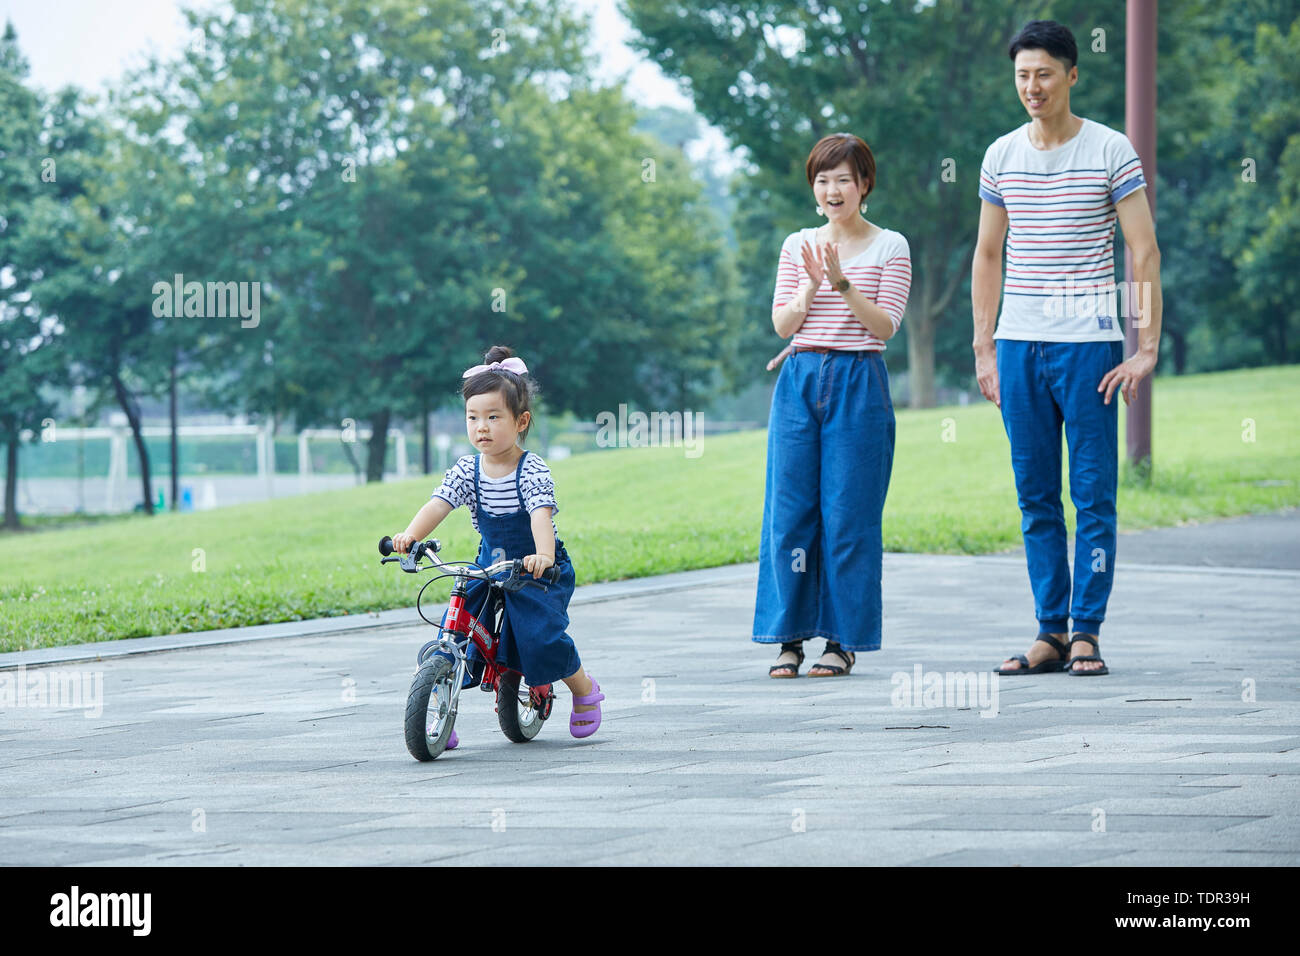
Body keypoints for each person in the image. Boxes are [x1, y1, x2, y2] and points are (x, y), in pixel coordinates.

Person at [971, 20, 1162, 677]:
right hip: (1019, 345)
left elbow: (1143, 249)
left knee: (1093, 495)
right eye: (1023, 75)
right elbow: (988, 254)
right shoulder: (1000, 156)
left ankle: (1088, 630)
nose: (1033, 86)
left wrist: (1145, 347)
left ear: (1072, 75)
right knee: (1035, 497)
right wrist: (984, 349)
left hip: (1089, 348)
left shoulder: (1111, 150)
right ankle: (1049, 631)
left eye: (1045, 74)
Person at [753, 132, 912, 678]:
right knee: (789, 514)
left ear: (864, 184)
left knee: (848, 516)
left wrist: (842, 284)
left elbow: (885, 324)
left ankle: (842, 641)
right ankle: (788, 638)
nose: (832, 189)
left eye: (844, 178)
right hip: (799, 380)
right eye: (823, 180)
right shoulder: (798, 244)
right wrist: (810, 287)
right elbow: (781, 323)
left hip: (858, 381)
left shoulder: (891, 245)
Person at [391, 345, 604, 743]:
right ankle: (439, 712)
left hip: (537, 570)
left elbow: (541, 514)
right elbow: (438, 504)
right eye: (473, 418)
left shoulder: (531, 468)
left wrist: (542, 555)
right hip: (489, 564)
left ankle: (583, 689)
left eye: (493, 417)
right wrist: (410, 536)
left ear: (521, 421)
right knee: (457, 628)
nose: (481, 427)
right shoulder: (467, 470)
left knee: (539, 635)